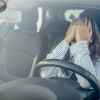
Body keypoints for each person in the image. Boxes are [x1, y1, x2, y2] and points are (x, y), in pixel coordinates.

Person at [41, 14, 100, 88]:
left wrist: (81, 43)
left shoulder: (98, 60)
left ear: (92, 38)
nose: (78, 31)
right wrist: (66, 40)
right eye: (75, 28)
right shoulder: (63, 53)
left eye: (84, 29)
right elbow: (45, 74)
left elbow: (88, 84)